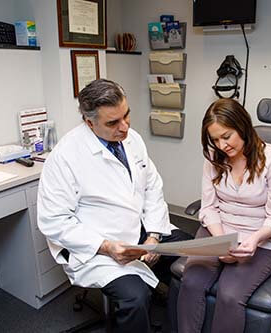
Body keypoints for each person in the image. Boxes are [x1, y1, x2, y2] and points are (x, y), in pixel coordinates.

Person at [37, 79, 191, 333]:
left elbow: (152, 187)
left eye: (126, 115)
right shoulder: (65, 157)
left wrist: (153, 235)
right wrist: (107, 247)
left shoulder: (132, 140)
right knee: (135, 297)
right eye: (113, 123)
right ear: (89, 123)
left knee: (191, 256)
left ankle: (180, 325)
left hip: (139, 229)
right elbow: (54, 221)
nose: (125, 127)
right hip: (98, 244)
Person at [177, 98, 271, 333]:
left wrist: (255, 240)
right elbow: (208, 208)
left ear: (242, 126)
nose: (221, 145)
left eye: (226, 136)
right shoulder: (213, 158)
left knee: (230, 295)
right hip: (219, 231)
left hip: (261, 239)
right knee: (191, 283)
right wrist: (221, 243)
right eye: (215, 139)